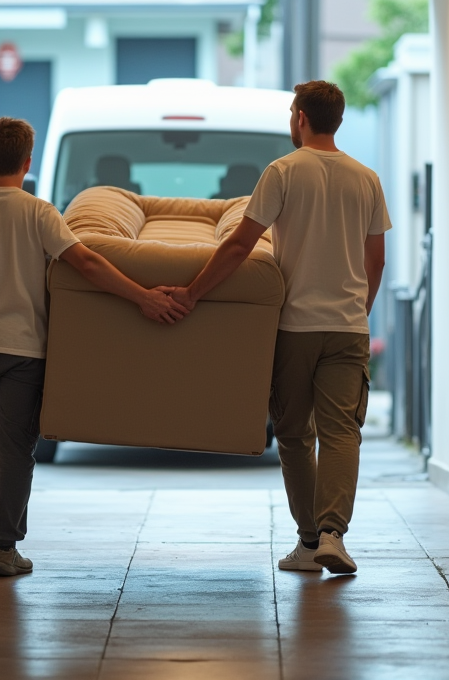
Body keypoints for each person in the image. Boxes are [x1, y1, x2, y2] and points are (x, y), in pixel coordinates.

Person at [0, 117, 188, 577]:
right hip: (26, 348)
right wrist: (142, 296)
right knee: (16, 445)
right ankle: (5, 548)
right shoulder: (40, 213)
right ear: (28, 162)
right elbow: (86, 263)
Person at [163, 81, 390, 575]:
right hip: (348, 328)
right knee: (341, 434)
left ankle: (310, 541)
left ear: (302, 118)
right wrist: (360, 311)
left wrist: (193, 293)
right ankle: (333, 536)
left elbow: (240, 245)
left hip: (294, 328)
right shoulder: (366, 178)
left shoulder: (283, 171)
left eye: (292, 112)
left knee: (292, 433)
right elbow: (377, 259)